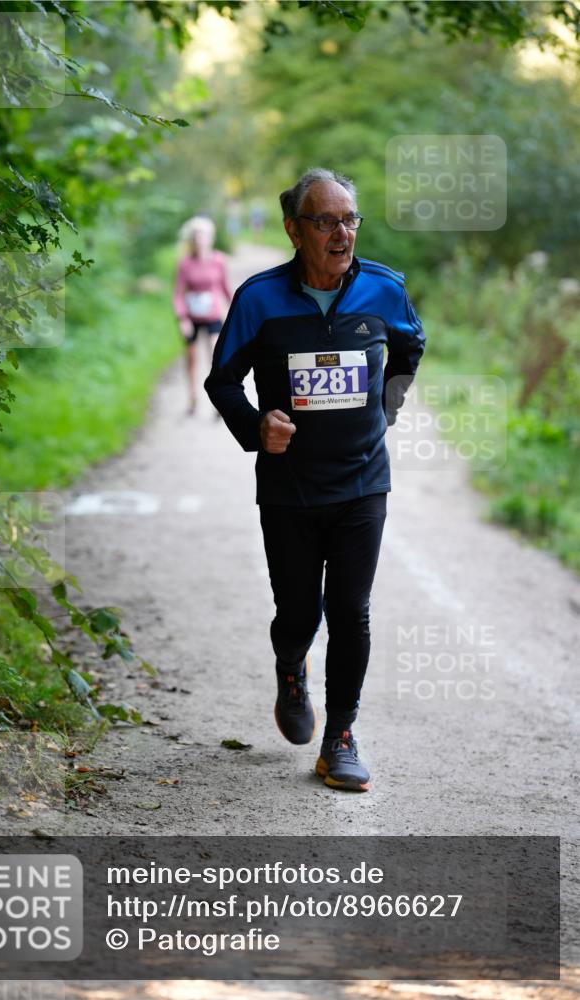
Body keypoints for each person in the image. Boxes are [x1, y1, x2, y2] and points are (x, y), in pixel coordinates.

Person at [205, 168, 425, 791]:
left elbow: (410, 349)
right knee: (299, 611)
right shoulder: (260, 299)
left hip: (362, 481)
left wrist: (385, 409)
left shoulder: (384, 289)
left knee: (351, 610)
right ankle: (290, 665)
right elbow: (222, 381)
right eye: (325, 221)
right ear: (294, 230)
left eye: (349, 219)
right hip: (290, 487)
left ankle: (341, 738)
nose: (341, 233)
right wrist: (256, 426)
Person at [173, 216, 232, 415]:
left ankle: (218, 401)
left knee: (216, 357)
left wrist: (238, 310)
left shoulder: (219, 260)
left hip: (213, 315)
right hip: (192, 318)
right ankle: (193, 398)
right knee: (192, 359)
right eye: (197, 236)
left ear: (210, 238)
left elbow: (226, 288)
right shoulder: (185, 264)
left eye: (204, 235)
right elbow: (178, 294)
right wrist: (182, 319)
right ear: (192, 239)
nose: (200, 239)